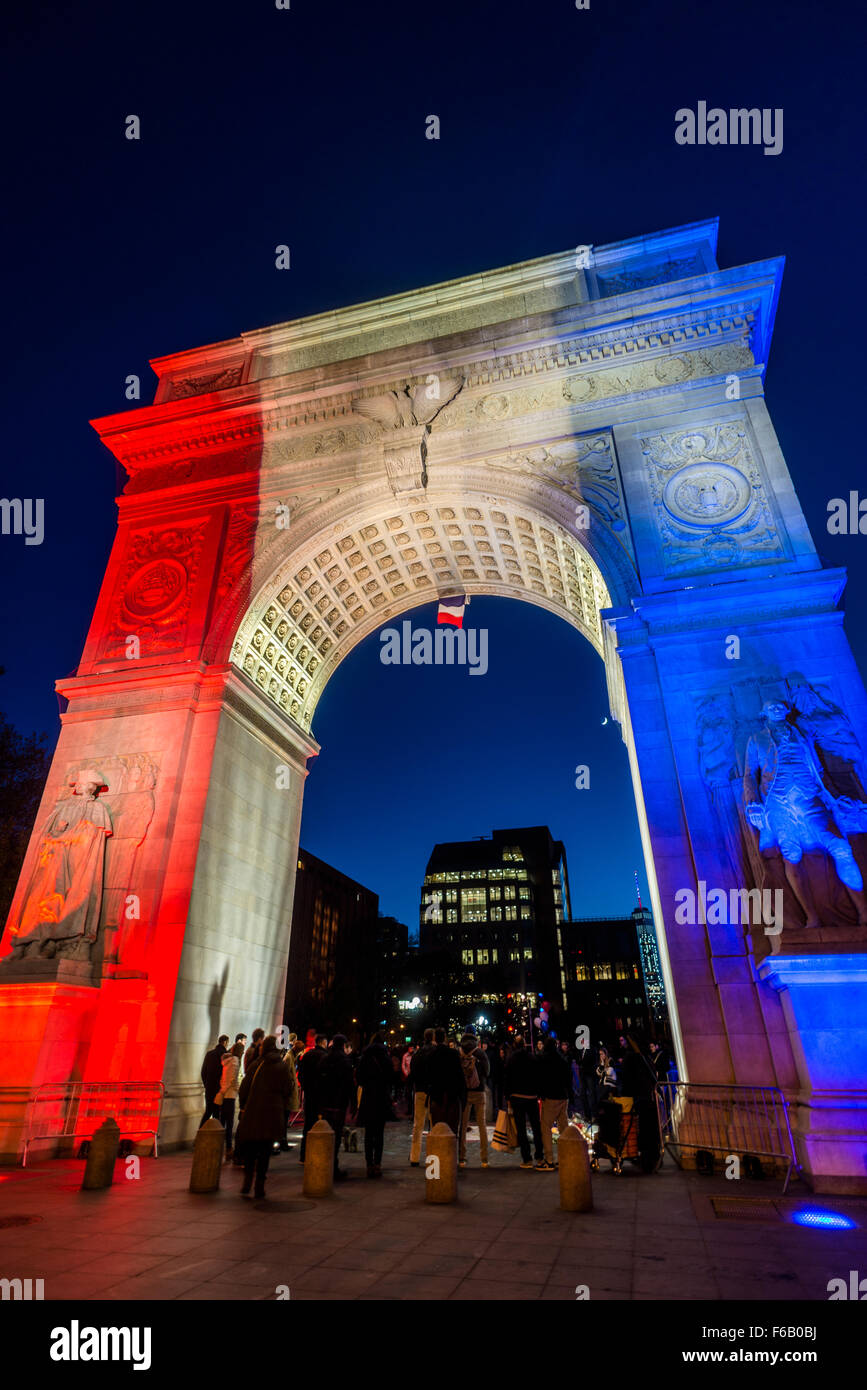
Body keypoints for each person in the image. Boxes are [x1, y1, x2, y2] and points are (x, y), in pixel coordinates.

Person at [235, 1035, 294, 1199]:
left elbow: (244, 1088)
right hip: (272, 1114)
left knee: (251, 1149)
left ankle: (247, 1181)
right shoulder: (281, 1067)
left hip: (253, 1113)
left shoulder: (256, 1065)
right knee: (265, 1151)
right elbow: (287, 1089)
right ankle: (260, 1184)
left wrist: (243, 1106)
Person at [621, 1032, 662, 1173]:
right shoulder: (645, 1057)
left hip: (640, 1097)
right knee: (651, 1129)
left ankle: (647, 1160)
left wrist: (625, 1096)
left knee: (644, 1129)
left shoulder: (631, 1057)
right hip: (649, 1096)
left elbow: (626, 1079)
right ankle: (654, 1157)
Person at [317, 1034, 354, 1180]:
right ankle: (333, 1166)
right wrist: (353, 1102)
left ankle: (324, 1164)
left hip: (326, 1102)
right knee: (336, 1135)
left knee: (326, 1132)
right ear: (343, 1045)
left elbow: (318, 1080)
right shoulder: (345, 1061)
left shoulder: (325, 1058)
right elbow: (349, 1083)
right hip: (339, 1103)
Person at [356, 1032, 394, 1177]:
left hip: (368, 1097)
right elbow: (391, 1077)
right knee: (379, 1133)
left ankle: (369, 1164)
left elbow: (359, 1078)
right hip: (381, 1097)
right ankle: (377, 1164)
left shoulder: (365, 1057)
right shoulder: (386, 1057)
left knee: (368, 1133)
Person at [504, 1036, 544, 1169]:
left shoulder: (511, 1059)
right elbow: (539, 1076)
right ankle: (539, 1156)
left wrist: (508, 1097)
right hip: (531, 1097)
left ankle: (527, 1158)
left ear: (515, 1045)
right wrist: (538, 1092)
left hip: (517, 1097)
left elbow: (507, 1079)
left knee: (521, 1129)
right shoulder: (533, 1058)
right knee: (536, 1127)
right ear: (525, 1044)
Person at [537, 1037, 571, 1168]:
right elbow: (569, 1079)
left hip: (550, 1097)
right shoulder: (562, 1059)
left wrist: (541, 1094)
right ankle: (567, 1157)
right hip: (563, 1097)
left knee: (546, 1127)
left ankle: (549, 1159)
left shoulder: (543, 1059)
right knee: (564, 1128)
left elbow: (540, 1078)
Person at [425, 1026, 466, 1134]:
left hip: (437, 1096)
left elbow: (428, 1076)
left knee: (437, 1131)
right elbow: (460, 1076)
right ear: (445, 1038)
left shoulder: (431, 1055)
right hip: (452, 1096)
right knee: (452, 1132)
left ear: (435, 1038)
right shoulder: (454, 1054)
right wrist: (463, 1097)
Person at [458, 1033, 490, 1168]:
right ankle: (484, 1159)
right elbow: (488, 1071)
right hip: (479, 1091)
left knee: (463, 1125)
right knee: (482, 1124)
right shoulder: (480, 1053)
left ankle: (462, 1158)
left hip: (464, 1093)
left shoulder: (458, 1053)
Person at [298, 1034, 327, 1162]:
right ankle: (316, 1154)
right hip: (320, 1095)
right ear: (324, 1042)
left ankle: (303, 1155)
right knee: (320, 1124)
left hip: (309, 1094)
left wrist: (305, 1086)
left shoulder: (307, 1055)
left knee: (308, 1125)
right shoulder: (325, 1057)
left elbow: (300, 1074)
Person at [409, 1027, 435, 1166]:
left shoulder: (418, 1054)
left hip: (419, 1090)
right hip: (433, 1090)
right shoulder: (435, 1052)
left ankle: (414, 1156)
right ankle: (432, 1155)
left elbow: (412, 1072)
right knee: (433, 1124)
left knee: (418, 1124)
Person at [218, 1040, 244, 1159]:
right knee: (229, 1123)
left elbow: (225, 1077)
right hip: (230, 1094)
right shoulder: (236, 1061)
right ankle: (228, 1148)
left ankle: (218, 1147)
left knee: (222, 1121)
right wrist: (237, 1088)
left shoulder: (227, 1061)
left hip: (224, 1094)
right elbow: (233, 1078)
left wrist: (222, 1090)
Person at [200, 1035, 229, 1127]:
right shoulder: (226, 1056)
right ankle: (215, 1137)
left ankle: (200, 1132)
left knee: (208, 1111)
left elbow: (203, 1071)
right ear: (225, 1042)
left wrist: (206, 1084)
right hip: (220, 1089)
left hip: (209, 1088)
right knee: (217, 1114)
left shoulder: (209, 1054)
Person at [280, 1040, 301, 1151]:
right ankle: (282, 1142)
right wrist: (291, 1084)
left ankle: (283, 1141)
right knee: (284, 1118)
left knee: (285, 1118)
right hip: (287, 1093)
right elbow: (287, 1074)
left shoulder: (290, 1057)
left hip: (288, 1091)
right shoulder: (289, 1058)